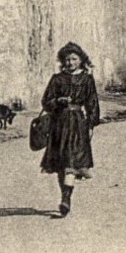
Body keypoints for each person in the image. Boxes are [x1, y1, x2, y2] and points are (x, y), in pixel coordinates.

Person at [40, 41, 101, 217]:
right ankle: (64, 196)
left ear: (81, 60)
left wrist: (91, 122)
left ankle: (66, 199)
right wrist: (57, 101)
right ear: (63, 61)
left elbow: (92, 102)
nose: (70, 63)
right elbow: (46, 101)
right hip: (59, 124)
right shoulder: (57, 79)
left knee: (71, 163)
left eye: (74, 59)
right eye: (67, 60)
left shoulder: (86, 79)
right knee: (61, 164)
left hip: (77, 124)